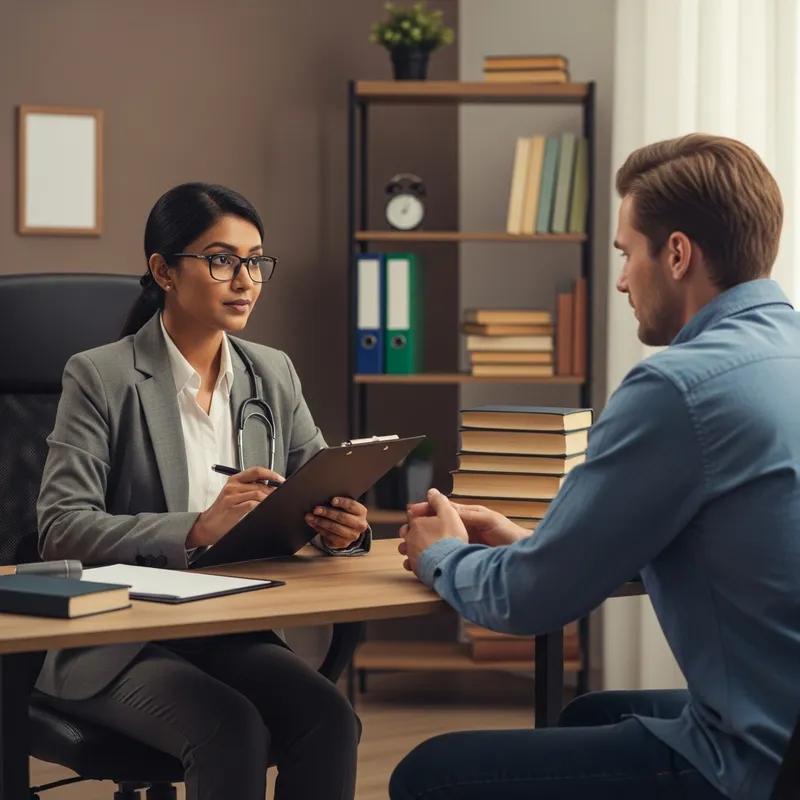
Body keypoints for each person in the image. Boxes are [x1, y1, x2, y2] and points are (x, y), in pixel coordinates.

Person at [390, 134, 800, 800]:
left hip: (757, 763)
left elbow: (530, 602)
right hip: (783, 719)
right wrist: (540, 547)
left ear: (675, 254)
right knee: (587, 715)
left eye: (624, 253)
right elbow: (733, 541)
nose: (618, 279)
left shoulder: (679, 388)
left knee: (428, 776)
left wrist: (442, 556)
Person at [35, 182, 369, 800]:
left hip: (227, 626)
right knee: (230, 728)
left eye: (255, 260)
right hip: (115, 639)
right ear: (164, 270)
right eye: (222, 260)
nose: (245, 279)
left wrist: (343, 525)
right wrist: (195, 528)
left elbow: (317, 478)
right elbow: (60, 525)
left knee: (330, 719)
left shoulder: (272, 372)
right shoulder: (101, 376)